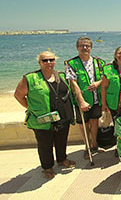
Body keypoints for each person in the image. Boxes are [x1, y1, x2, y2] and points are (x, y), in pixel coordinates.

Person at [14, 51, 76, 179]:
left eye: (51, 60)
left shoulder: (61, 75)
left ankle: (62, 159)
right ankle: (47, 167)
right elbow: (18, 95)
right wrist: (31, 108)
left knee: (61, 140)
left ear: (55, 61)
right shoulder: (30, 78)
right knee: (44, 144)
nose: (48, 63)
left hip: (62, 117)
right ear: (39, 62)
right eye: (45, 60)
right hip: (42, 119)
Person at [65, 36, 105, 159]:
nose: (85, 48)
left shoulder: (99, 62)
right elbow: (73, 83)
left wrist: (98, 83)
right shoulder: (72, 63)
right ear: (77, 48)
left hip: (96, 99)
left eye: (87, 46)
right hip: (81, 100)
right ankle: (87, 146)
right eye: (82, 45)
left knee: (94, 121)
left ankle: (94, 144)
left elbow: (104, 77)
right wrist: (81, 101)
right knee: (83, 124)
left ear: (91, 48)